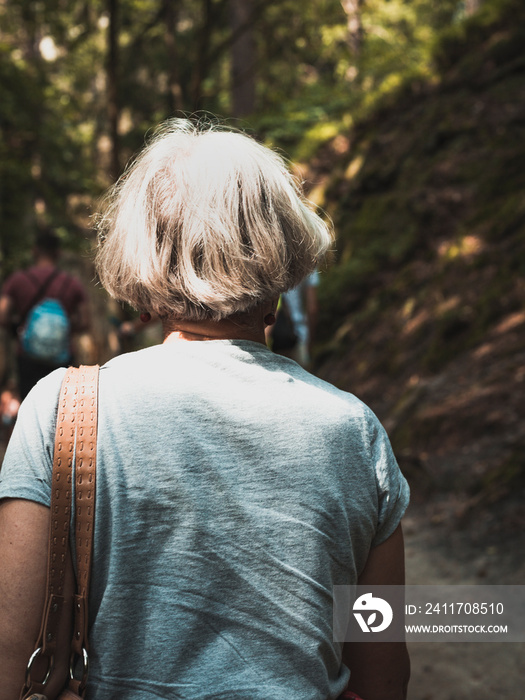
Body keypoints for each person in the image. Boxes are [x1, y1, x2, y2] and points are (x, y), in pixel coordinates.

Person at [0, 120, 410, 700]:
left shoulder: (62, 409)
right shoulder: (354, 432)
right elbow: (383, 677)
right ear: (281, 266)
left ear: (143, 269)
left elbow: (10, 664)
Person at [0, 230, 90, 400]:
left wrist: (17, 329)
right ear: (58, 253)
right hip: (62, 356)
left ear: (34, 250)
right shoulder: (72, 283)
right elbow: (85, 322)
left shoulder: (17, 280)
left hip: (27, 355)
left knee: (30, 402)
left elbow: (3, 316)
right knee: (61, 406)